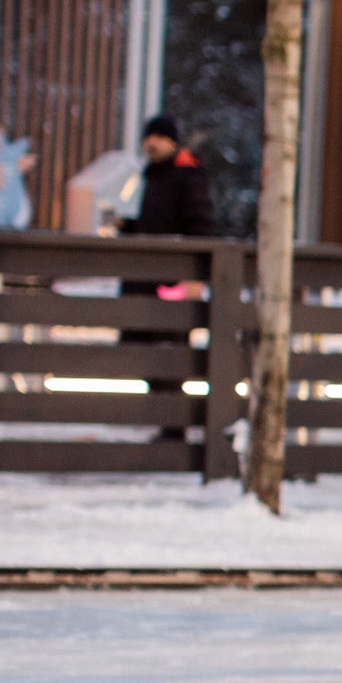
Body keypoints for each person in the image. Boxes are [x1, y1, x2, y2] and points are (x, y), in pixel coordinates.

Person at [121, 114, 220, 440]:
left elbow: (200, 225)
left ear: (172, 142)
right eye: (148, 137)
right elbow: (158, 224)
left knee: (169, 355)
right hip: (148, 279)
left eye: (159, 137)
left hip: (172, 282)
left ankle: (174, 428)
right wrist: (130, 228)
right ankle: (165, 424)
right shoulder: (155, 175)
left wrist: (195, 278)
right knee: (150, 356)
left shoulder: (186, 176)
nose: (151, 143)